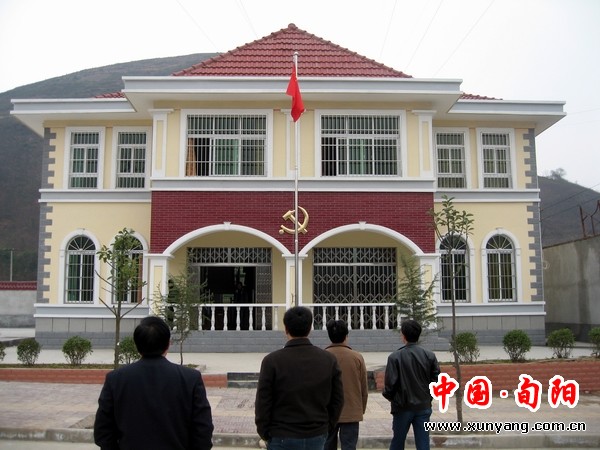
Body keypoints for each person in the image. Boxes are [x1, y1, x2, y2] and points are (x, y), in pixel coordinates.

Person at [94, 316, 214, 450]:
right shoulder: (190, 378)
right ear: (168, 344)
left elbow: (103, 432)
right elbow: (203, 431)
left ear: (136, 345)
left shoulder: (116, 379)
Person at [255, 306, 344, 450]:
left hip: (281, 435)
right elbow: (338, 400)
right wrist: (327, 426)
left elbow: (263, 403)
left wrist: (264, 432)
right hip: (316, 434)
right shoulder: (328, 360)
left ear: (286, 329)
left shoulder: (272, 361)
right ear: (310, 329)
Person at [382, 319, 440, 450]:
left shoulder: (394, 357)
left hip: (402, 406)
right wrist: (428, 397)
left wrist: (393, 399)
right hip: (423, 406)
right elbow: (436, 380)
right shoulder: (429, 355)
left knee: (398, 442)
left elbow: (390, 386)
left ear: (403, 335)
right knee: (423, 442)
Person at [325, 319, 368, 450]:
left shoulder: (322, 356)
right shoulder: (357, 357)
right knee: (349, 446)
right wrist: (360, 409)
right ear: (346, 336)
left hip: (327, 412)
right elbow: (364, 388)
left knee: (327, 446)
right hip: (351, 411)